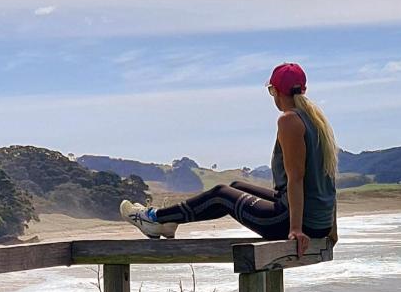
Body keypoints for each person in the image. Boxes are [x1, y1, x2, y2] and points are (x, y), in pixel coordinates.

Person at [120, 62, 338, 256]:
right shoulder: (317, 122)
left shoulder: (289, 120)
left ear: (277, 92)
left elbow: (296, 178)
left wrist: (295, 229)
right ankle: (169, 221)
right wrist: (332, 230)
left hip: (291, 221)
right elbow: (329, 180)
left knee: (220, 195)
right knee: (235, 187)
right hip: (318, 223)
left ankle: (153, 218)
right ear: (303, 89)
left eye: (271, 90)